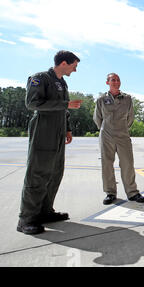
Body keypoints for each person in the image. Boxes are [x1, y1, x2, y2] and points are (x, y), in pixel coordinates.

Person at [17, 50, 82, 235]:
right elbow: (32, 103)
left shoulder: (62, 82)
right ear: (63, 63)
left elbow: (63, 109)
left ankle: (45, 211)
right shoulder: (40, 78)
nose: (75, 70)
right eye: (73, 66)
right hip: (43, 130)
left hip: (58, 131)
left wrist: (68, 127)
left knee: (54, 172)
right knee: (37, 173)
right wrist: (65, 105)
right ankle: (26, 219)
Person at [93, 73, 144, 205]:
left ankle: (132, 192)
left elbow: (131, 118)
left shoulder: (127, 99)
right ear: (107, 82)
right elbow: (97, 118)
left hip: (123, 135)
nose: (116, 82)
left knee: (127, 163)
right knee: (107, 164)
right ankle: (110, 193)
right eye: (113, 80)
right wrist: (106, 129)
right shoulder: (101, 100)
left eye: (118, 80)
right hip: (106, 135)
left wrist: (121, 129)